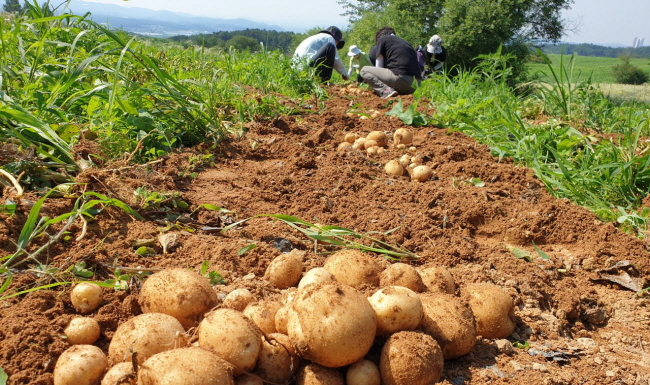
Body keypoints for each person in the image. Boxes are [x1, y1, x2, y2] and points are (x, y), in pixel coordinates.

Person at [359, 27, 422, 99]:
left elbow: (379, 67)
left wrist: (374, 85)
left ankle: (386, 91)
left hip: (400, 80)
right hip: (414, 86)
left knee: (364, 70)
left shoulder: (383, 39)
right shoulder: (406, 43)